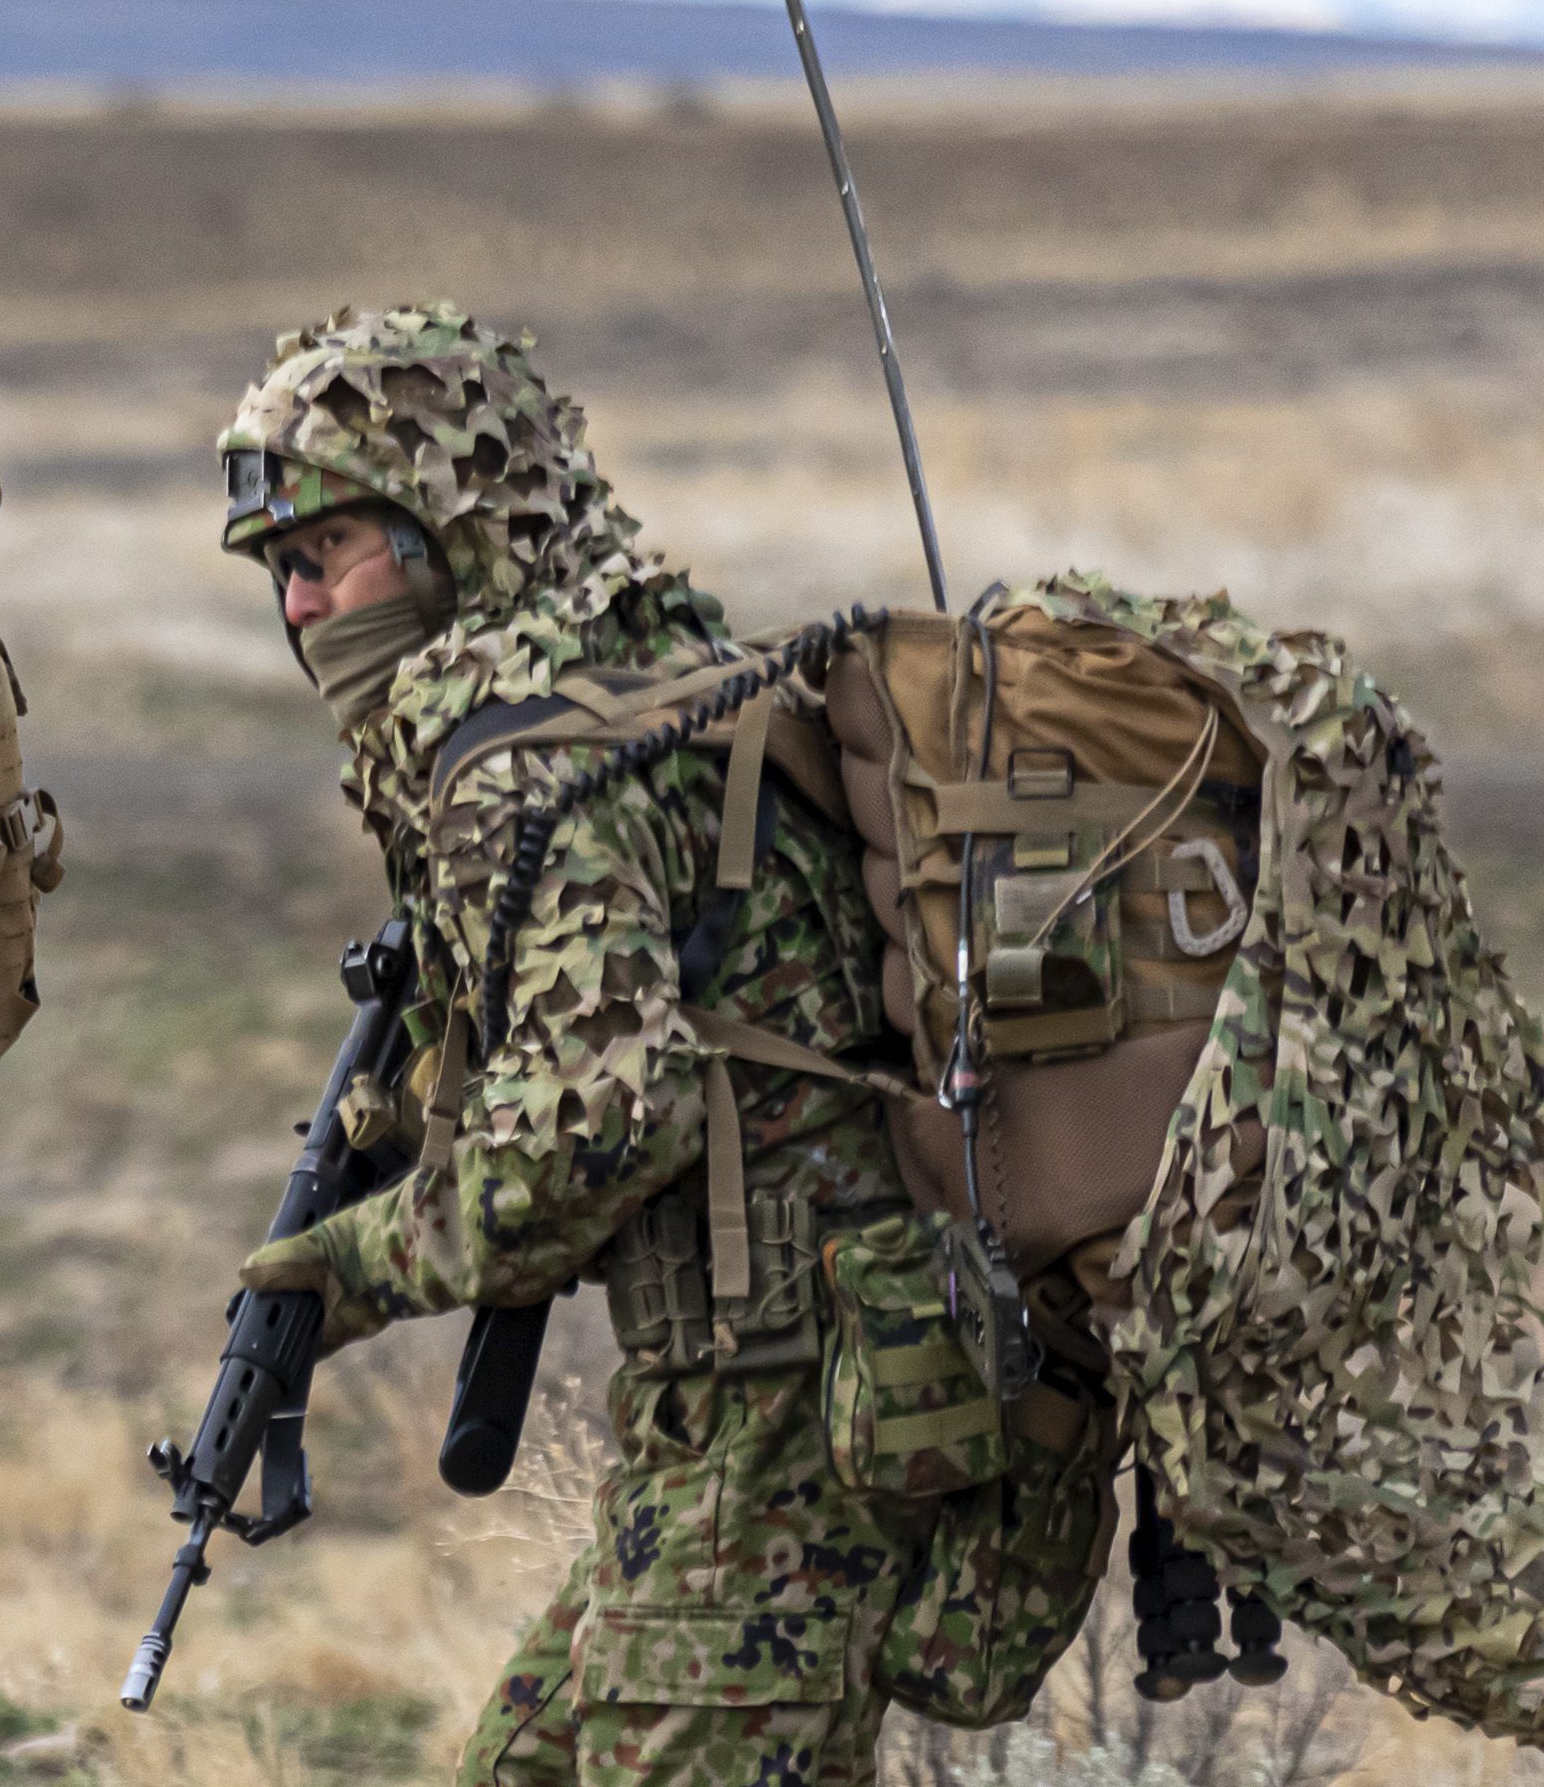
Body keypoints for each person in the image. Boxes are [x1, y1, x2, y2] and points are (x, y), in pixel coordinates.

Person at [216, 303, 1106, 1784]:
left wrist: (350, 1268)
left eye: (323, 558)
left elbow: (597, 1127)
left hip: (793, 1420)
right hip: (763, 1406)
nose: (302, 609)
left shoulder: (526, 770)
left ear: (451, 536)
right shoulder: (662, 689)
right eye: (282, 577)